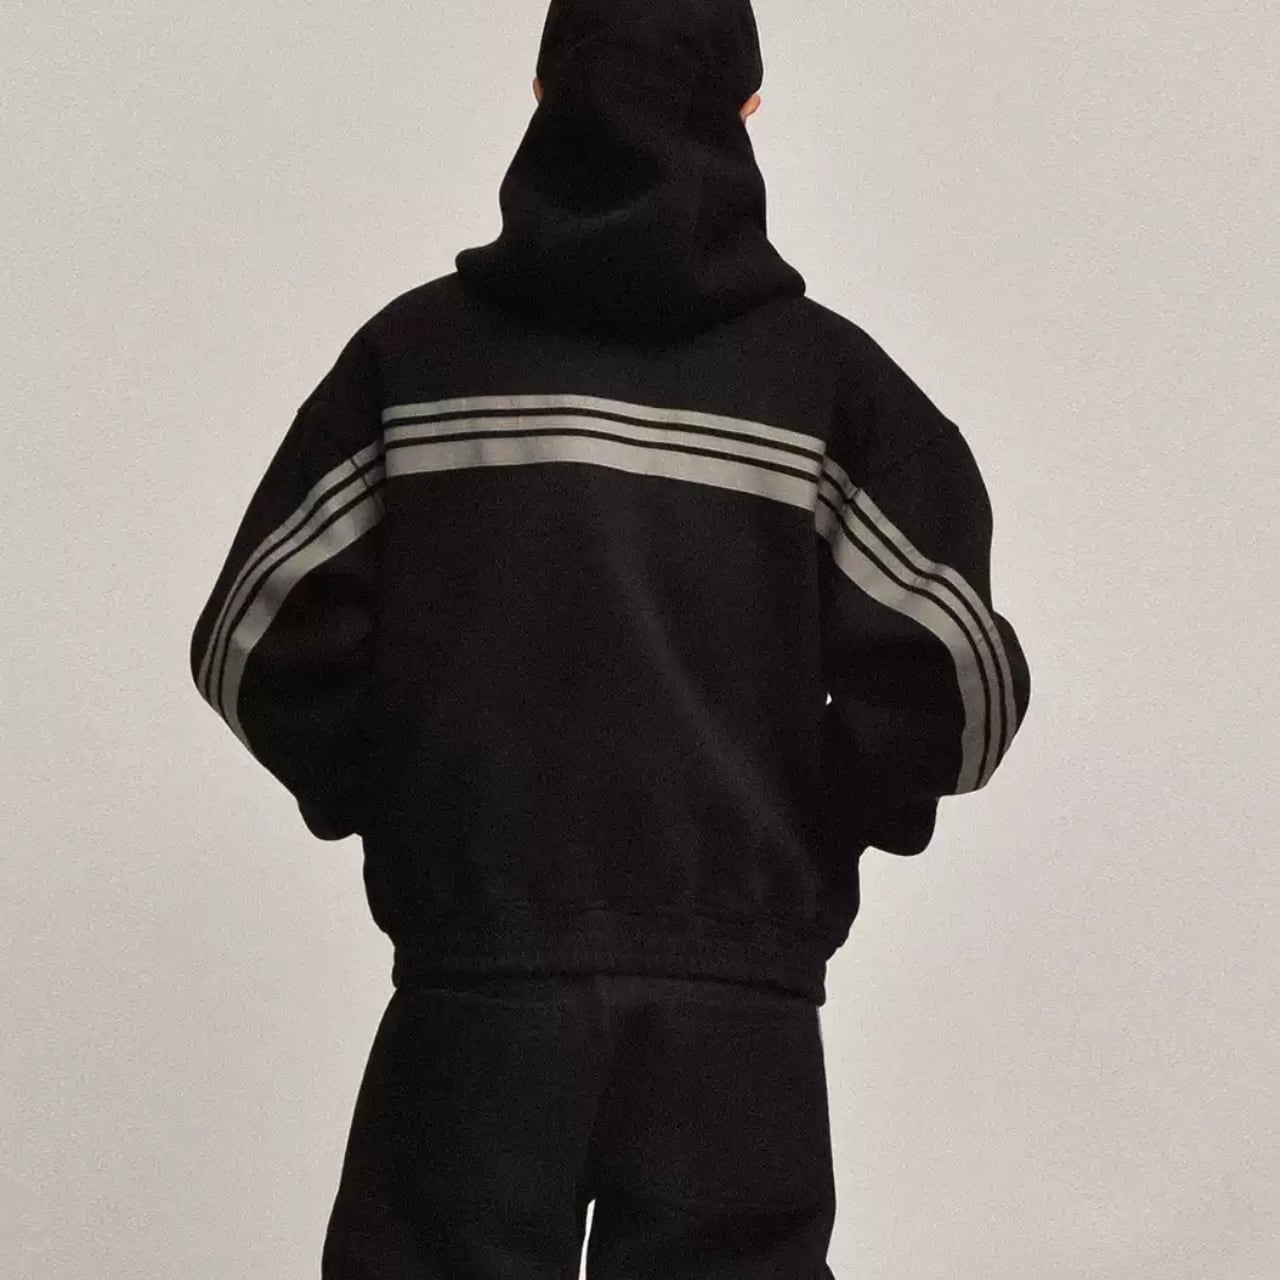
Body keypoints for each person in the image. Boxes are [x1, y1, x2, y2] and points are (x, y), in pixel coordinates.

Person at [188, 0, 1032, 1275]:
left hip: (476, 982)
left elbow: (253, 637)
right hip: (735, 1004)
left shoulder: (413, 361)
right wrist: (817, 821)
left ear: (542, 92)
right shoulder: (829, 387)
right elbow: (954, 687)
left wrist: (409, 793)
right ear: (748, 110)